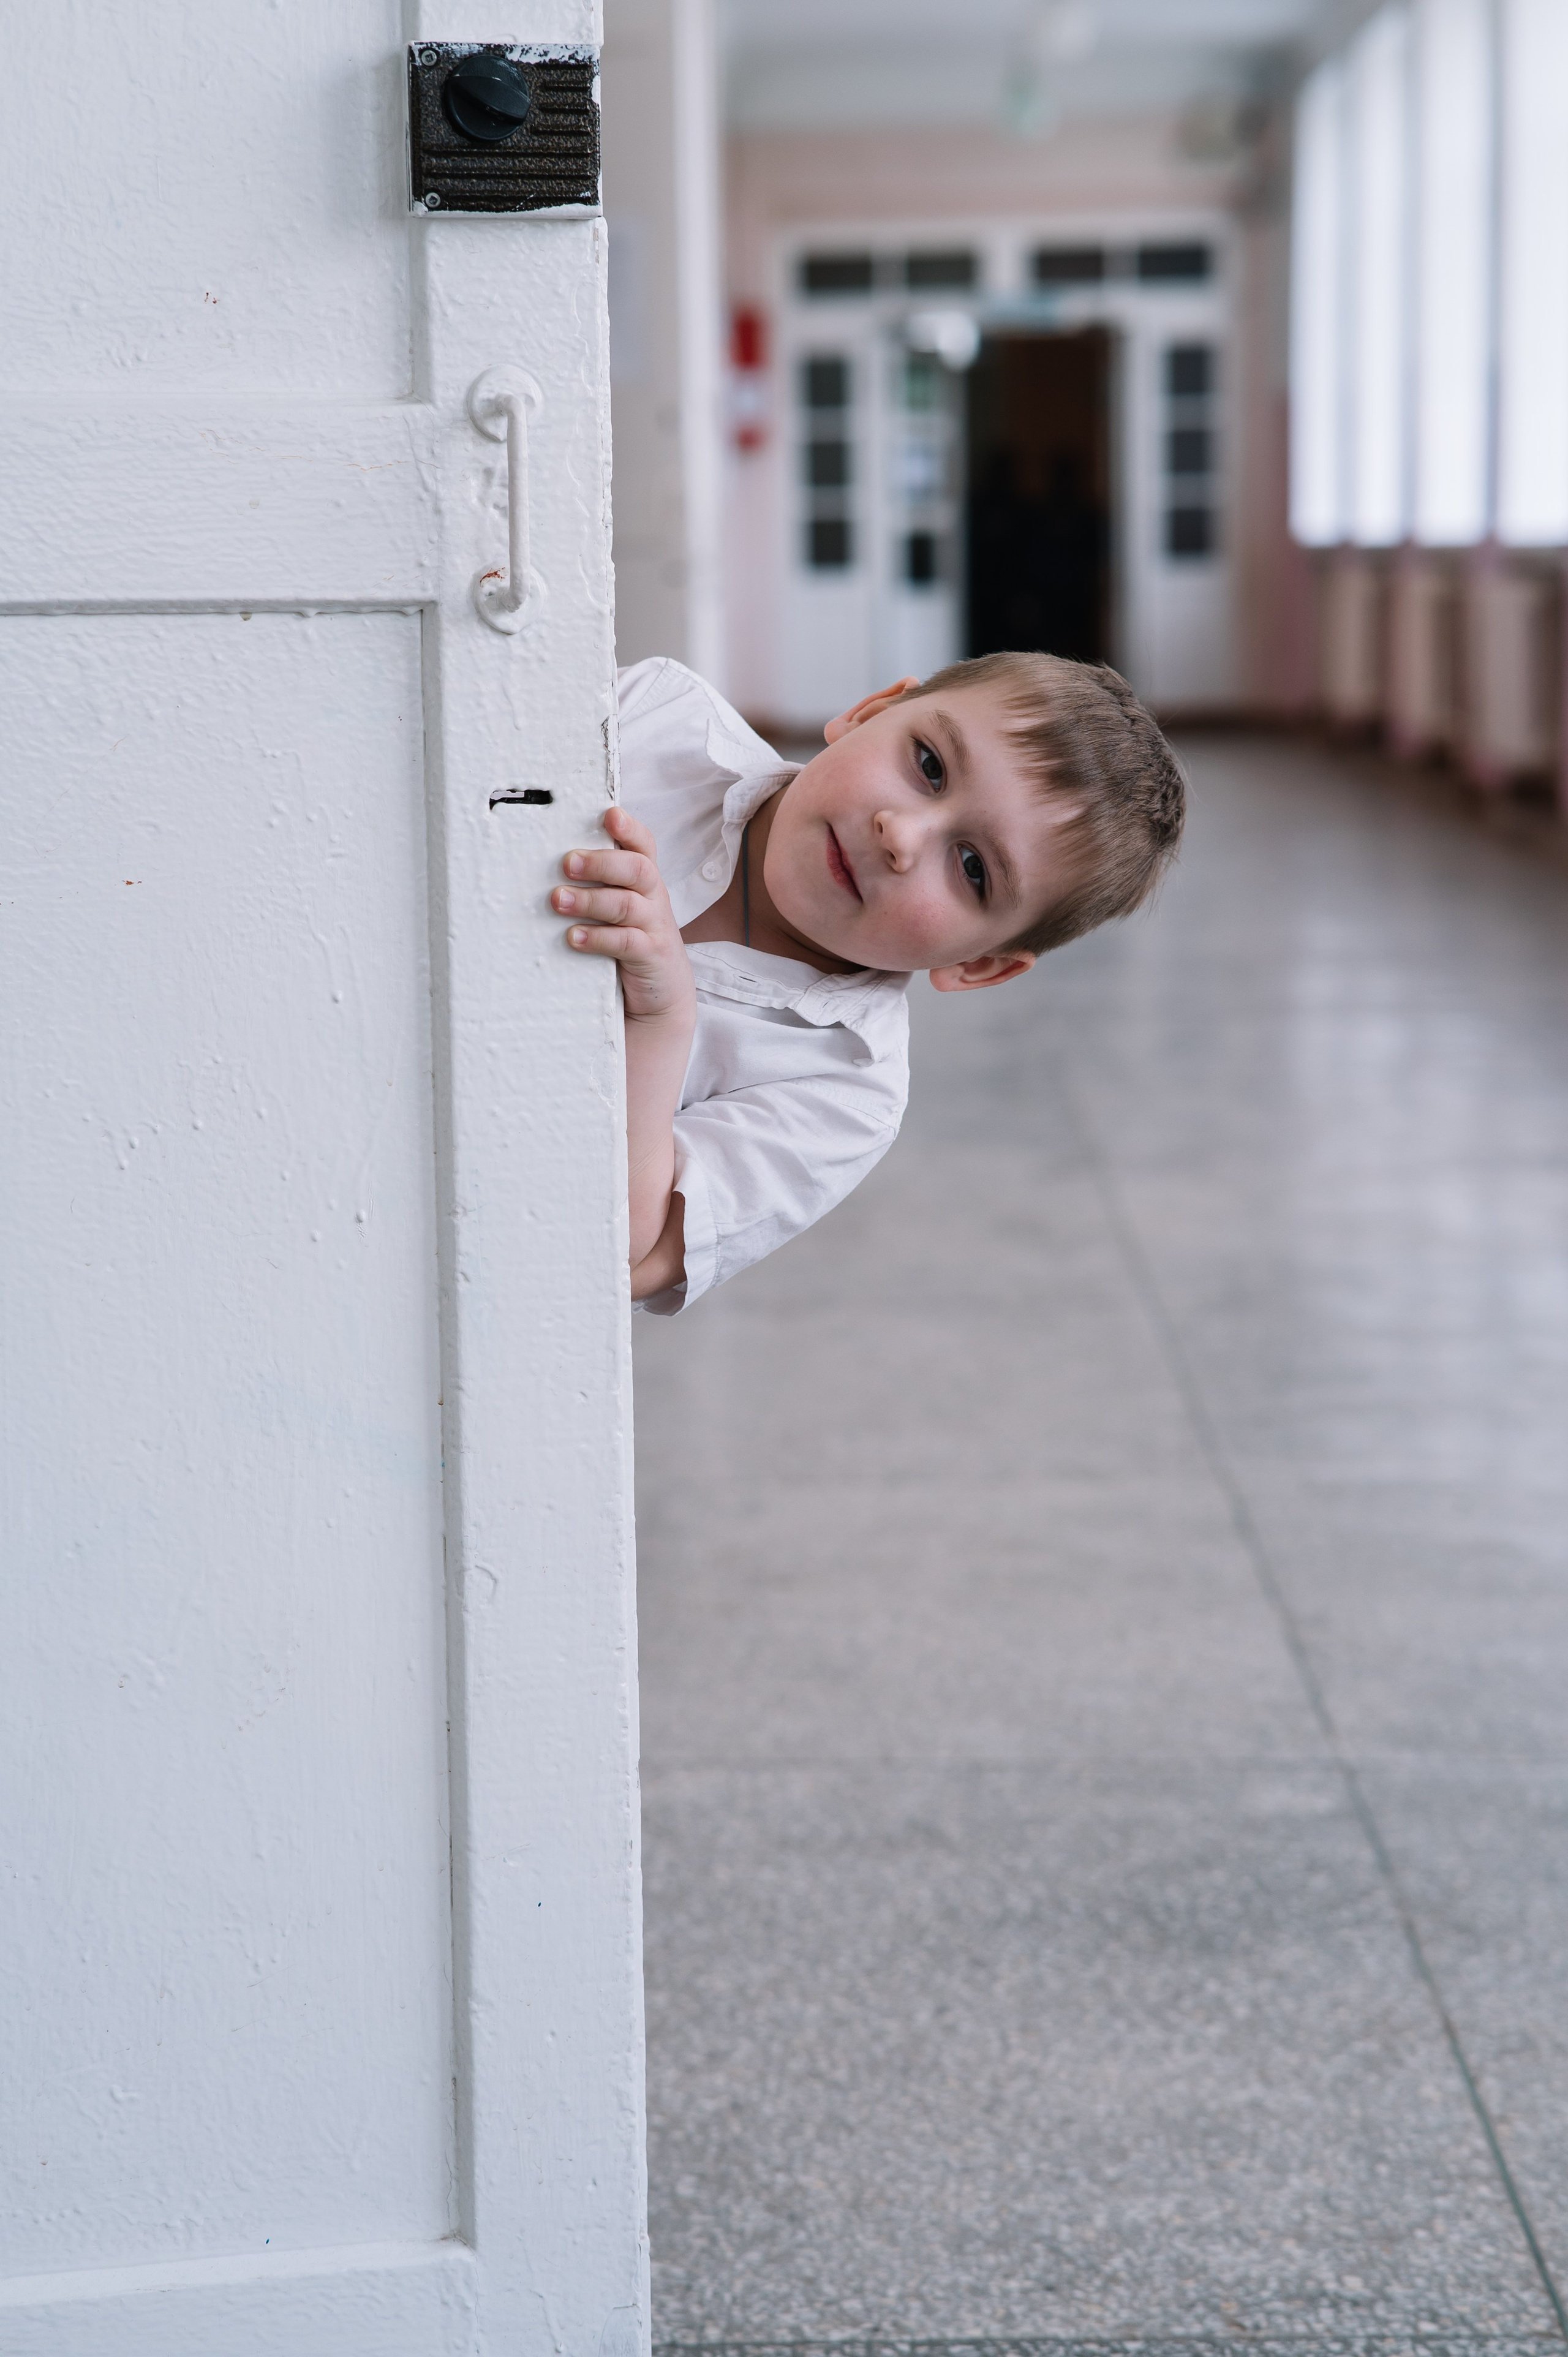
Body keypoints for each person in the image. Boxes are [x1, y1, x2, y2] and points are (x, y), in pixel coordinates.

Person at [551, 651, 1184, 1314]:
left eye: (972, 868)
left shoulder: (847, 1092)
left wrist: (660, 1022)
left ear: (981, 965)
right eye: (930, 766)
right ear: (868, 713)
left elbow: (617, 1259)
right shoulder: (655, 718)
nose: (900, 834)